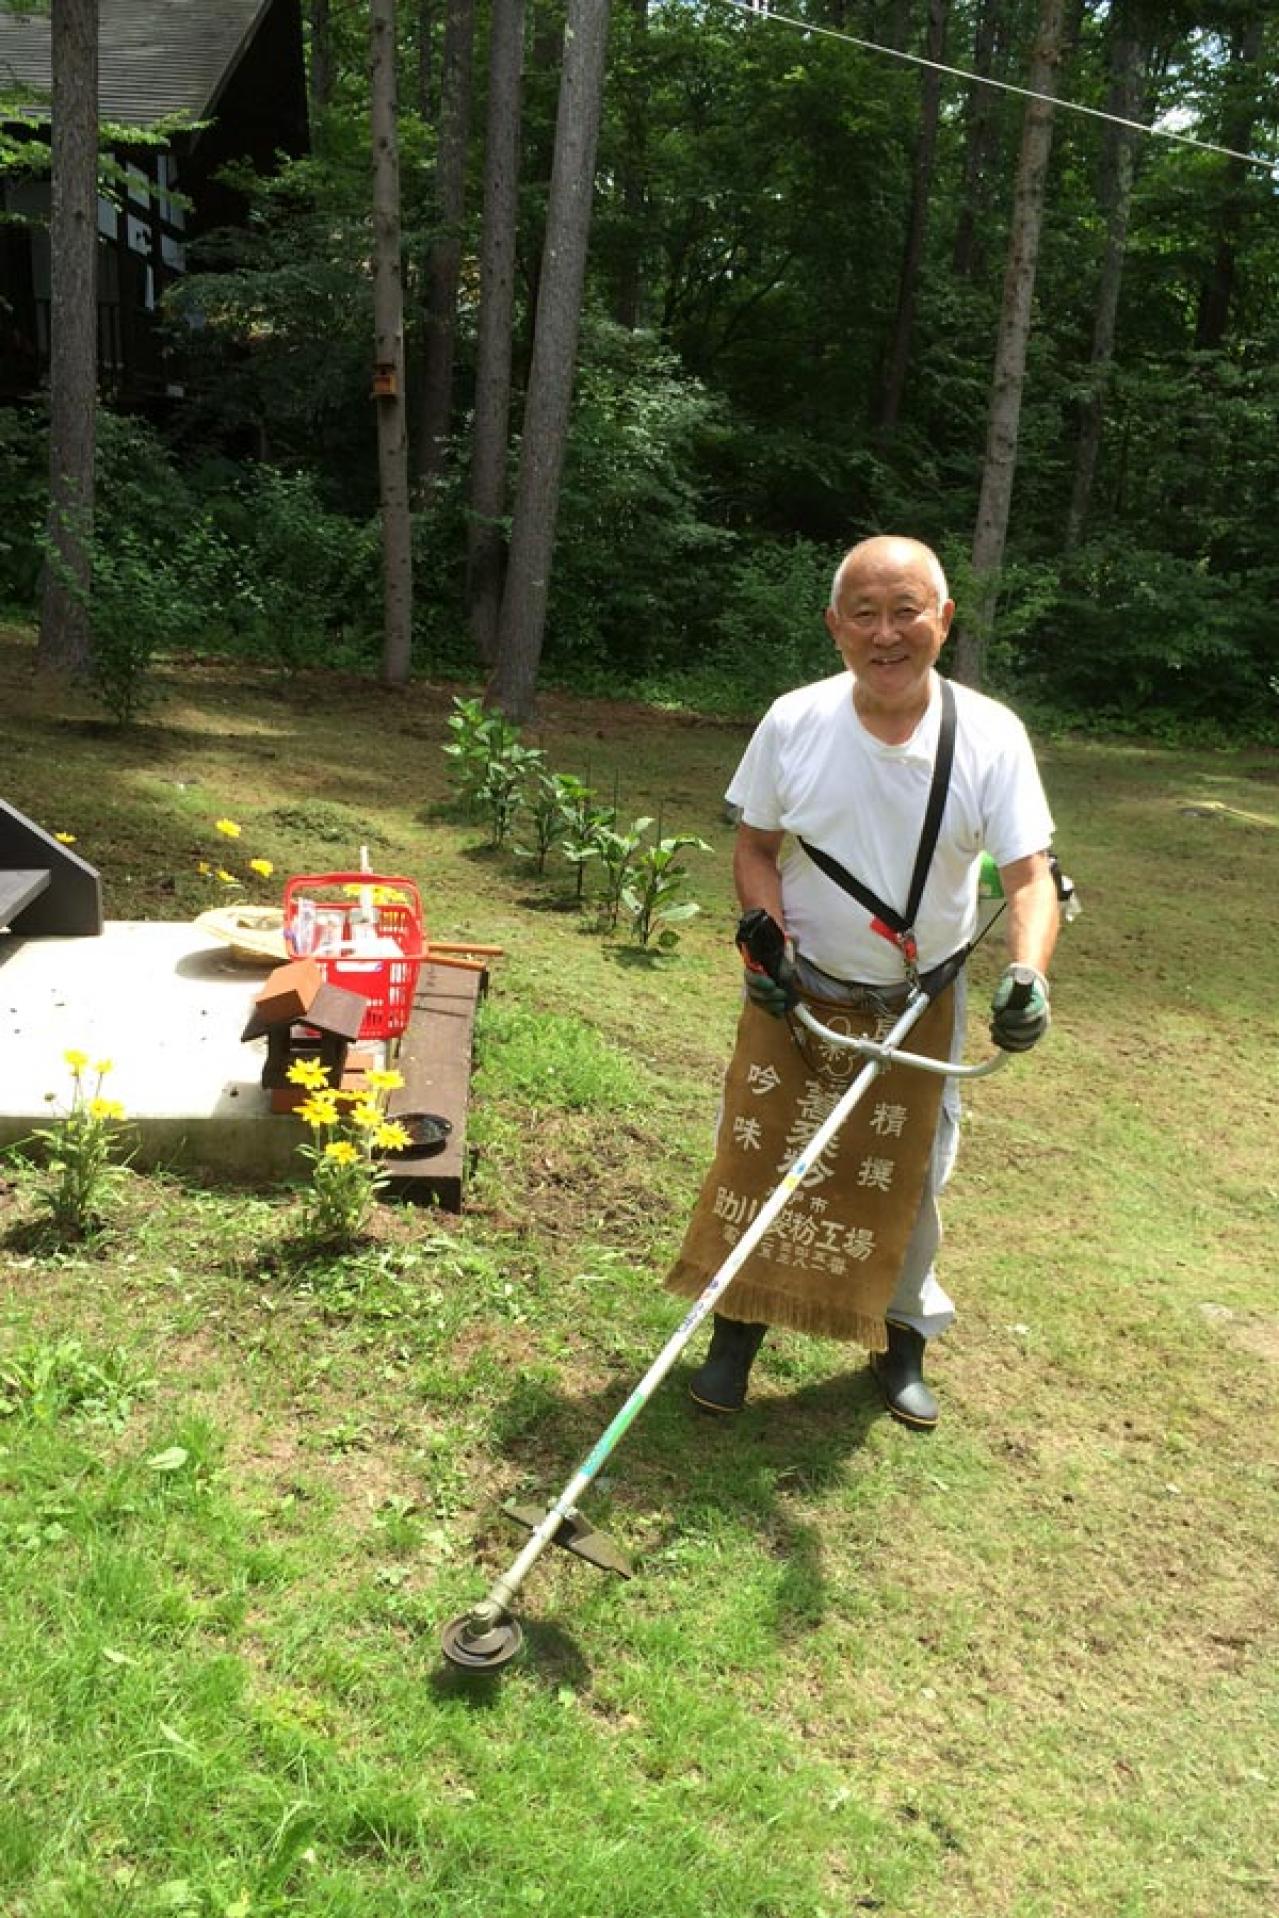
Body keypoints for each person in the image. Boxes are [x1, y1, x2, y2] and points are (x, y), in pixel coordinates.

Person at [666, 534, 1059, 1429]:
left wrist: (1027, 975)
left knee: (909, 1172)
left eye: (906, 612)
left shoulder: (990, 736)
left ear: (943, 619)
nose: (887, 635)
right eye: (866, 615)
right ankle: (737, 1331)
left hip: (923, 999)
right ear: (835, 626)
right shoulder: (794, 720)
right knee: (761, 1154)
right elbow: (756, 848)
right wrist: (761, 942)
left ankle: (900, 1339)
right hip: (797, 989)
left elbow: (1029, 877)